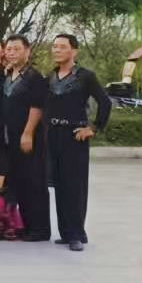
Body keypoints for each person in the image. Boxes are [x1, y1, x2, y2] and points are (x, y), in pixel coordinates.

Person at [45, 33, 111, 252]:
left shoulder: (85, 76)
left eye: (62, 46)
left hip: (75, 136)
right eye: (55, 46)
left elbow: (104, 102)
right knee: (59, 185)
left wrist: (93, 128)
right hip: (53, 135)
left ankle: (76, 234)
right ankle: (65, 232)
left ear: (74, 50)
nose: (57, 50)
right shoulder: (51, 76)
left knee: (75, 186)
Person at [2, 34, 50, 241]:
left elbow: (36, 107)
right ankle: (26, 224)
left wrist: (28, 132)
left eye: (17, 49)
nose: (12, 53)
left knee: (34, 181)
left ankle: (40, 229)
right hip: (11, 136)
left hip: (28, 136)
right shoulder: (9, 74)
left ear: (27, 51)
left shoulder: (34, 77)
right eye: (9, 49)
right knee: (19, 181)